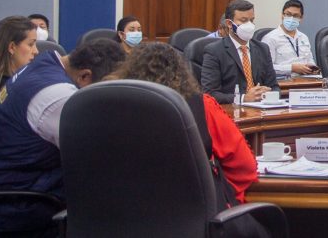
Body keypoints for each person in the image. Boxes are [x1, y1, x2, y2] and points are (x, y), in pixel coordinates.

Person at [0, 39, 126, 235]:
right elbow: (95, 158)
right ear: (84, 76)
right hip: (9, 207)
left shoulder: (44, 64)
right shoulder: (59, 96)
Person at [110, 43, 259, 205]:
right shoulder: (202, 106)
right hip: (197, 210)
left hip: (128, 209)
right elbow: (244, 166)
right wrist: (224, 195)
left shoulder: (115, 108)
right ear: (181, 72)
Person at [200, 0, 278, 104]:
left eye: (251, 20)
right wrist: (243, 98)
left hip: (261, 107)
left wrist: (268, 93)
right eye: (243, 20)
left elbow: (274, 87)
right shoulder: (214, 51)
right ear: (229, 24)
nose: (249, 25)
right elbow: (210, 93)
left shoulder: (263, 49)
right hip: (232, 109)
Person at [262, 0, 316, 80]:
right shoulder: (270, 38)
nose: (291, 18)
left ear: (301, 18)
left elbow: (310, 60)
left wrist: (312, 68)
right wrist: (291, 68)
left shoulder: (303, 37)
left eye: (296, 16)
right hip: (283, 81)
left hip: (306, 80)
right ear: (282, 15)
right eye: (288, 14)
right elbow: (266, 68)